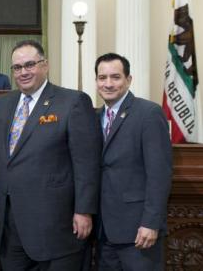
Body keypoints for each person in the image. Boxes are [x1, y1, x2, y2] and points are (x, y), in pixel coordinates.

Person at [0, 40, 102, 270]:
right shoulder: (1, 105)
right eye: (17, 67)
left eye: (29, 65)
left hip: (55, 227)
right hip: (10, 227)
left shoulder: (72, 102)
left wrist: (84, 210)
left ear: (45, 65)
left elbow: (86, 163)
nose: (23, 72)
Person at [94, 53, 172, 270]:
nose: (108, 84)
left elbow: (159, 174)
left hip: (139, 230)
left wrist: (150, 222)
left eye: (115, 77)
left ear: (129, 80)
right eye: (102, 78)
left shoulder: (148, 113)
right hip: (104, 231)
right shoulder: (95, 116)